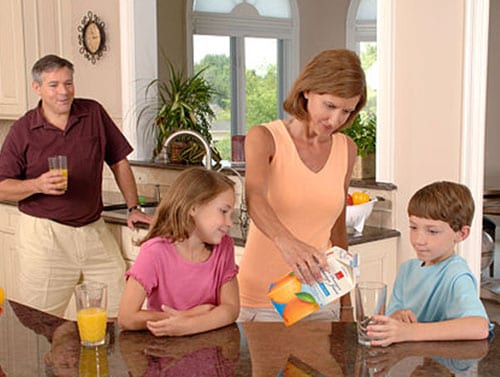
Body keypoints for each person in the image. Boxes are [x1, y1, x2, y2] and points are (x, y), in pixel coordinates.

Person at [0, 54, 151, 318]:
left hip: (94, 231)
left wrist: (133, 207)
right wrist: (36, 185)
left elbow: (119, 162)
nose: (63, 92)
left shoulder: (92, 112)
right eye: (54, 85)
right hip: (44, 237)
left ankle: (104, 361)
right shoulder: (23, 129)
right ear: (37, 88)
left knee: (119, 312)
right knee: (40, 321)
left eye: (68, 83)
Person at [238, 49, 367, 322]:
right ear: (307, 91)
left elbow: (338, 227)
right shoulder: (265, 137)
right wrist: (287, 242)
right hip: (262, 298)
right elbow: (255, 198)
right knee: (266, 367)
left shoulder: (347, 149)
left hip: (318, 296)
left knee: (322, 367)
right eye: (329, 106)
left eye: (346, 111)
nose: (335, 120)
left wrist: (346, 305)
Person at [367, 181, 493, 346]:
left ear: (461, 234)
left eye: (432, 231)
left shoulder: (456, 273)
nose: (419, 240)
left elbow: (479, 327)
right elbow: (391, 318)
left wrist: (410, 331)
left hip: (445, 363)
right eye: (413, 228)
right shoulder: (407, 270)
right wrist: (396, 317)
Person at [117, 167, 240, 336]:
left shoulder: (224, 247)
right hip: (165, 354)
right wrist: (186, 316)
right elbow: (126, 317)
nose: (229, 222)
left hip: (211, 353)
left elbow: (231, 309)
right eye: (223, 211)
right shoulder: (155, 252)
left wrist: (189, 325)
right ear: (193, 208)